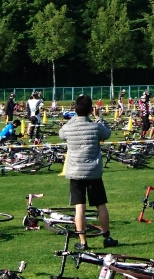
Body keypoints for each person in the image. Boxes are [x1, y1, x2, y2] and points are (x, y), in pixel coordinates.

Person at [59, 94, 118, 252]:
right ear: (91, 110)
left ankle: (83, 241)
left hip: (75, 171)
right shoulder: (95, 126)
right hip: (93, 171)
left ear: (75, 109)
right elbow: (107, 133)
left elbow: (61, 133)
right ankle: (107, 237)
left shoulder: (69, 127)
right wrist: (99, 118)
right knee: (101, 205)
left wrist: (74, 118)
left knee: (80, 207)